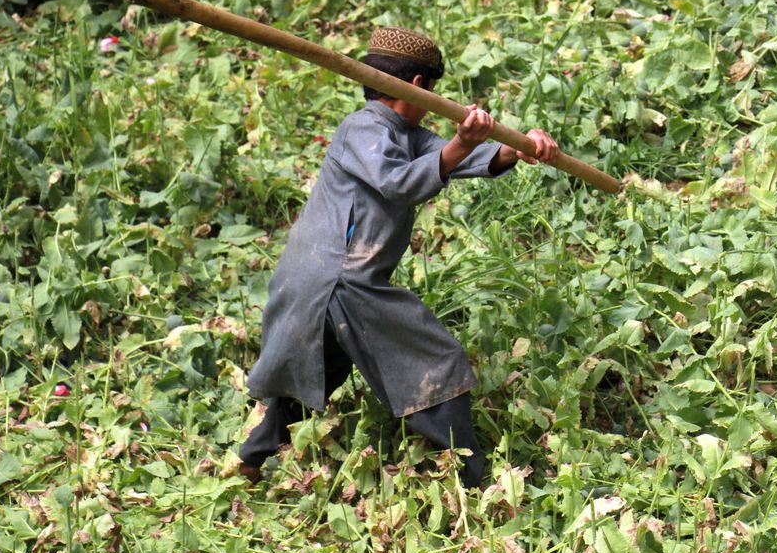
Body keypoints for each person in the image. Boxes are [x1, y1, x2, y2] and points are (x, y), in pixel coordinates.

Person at [238, 26, 559, 488]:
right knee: (436, 360)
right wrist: (460, 145)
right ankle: (473, 479)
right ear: (418, 85)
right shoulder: (362, 128)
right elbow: (398, 181)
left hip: (324, 279)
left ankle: (252, 457)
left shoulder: (406, 133)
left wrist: (519, 147)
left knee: (320, 365)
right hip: (340, 279)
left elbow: (462, 159)